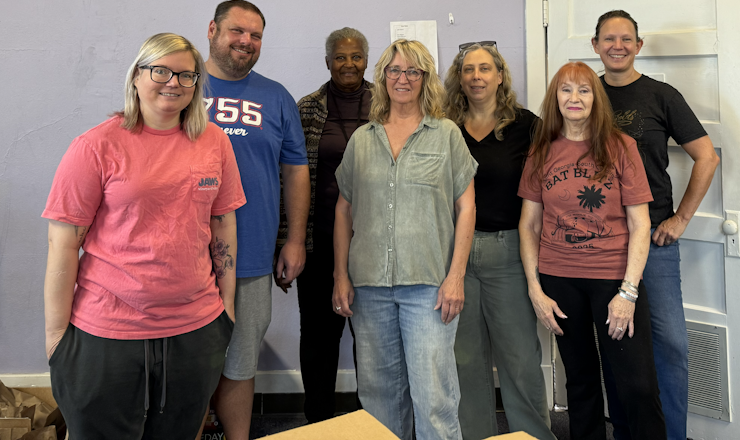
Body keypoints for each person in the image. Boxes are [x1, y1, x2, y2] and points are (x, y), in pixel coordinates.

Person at [42, 33, 244, 439]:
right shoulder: (95, 146)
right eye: (161, 71)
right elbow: (62, 244)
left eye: (186, 75)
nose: (173, 83)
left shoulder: (214, 142)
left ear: (196, 84)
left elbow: (223, 223)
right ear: (137, 76)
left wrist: (226, 308)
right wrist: (56, 338)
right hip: (107, 332)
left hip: (196, 328)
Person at [333, 39, 478, 440]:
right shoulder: (363, 139)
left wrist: (456, 277)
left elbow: (467, 208)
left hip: (429, 288)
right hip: (370, 288)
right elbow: (343, 210)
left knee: (434, 400)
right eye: (395, 70)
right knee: (378, 399)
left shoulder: (446, 134)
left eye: (413, 71)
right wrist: (340, 276)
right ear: (382, 77)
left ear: (425, 78)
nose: (403, 78)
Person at [590, 10, 721, 440]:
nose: (618, 46)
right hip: (602, 242)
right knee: (617, 345)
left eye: (626, 39)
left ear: (638, 46)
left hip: (655, 241)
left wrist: (681, 218)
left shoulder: (661, 95)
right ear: (595, 45)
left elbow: (707, 157)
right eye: (609, 39)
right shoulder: (584, 94)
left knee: (670, 346)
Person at [518, 61, 666, 439]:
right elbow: (529, 224)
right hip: (559, 280)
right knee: (580, 381)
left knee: (638, 385)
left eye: (584, 90)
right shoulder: (541, 151)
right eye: (566, 89)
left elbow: (640, 224)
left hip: (613, 280)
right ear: (555, 98)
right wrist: (535, 290)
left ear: (595, 98)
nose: (575, 98)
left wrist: (628, 293)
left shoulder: (621, 146)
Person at [203, 1, 310, 437]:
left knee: (241, 359)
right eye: (237, 30)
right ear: (212, 30)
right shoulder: (183, 87)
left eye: (256, 35)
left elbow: (296, 170)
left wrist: (294, 239)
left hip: (251, 254)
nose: (246, 41)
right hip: (183, 257)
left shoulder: (276, 97)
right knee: (188, 365)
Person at [443, 42, 555, 440]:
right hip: (455, 257)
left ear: (500, 76)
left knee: (520, 360)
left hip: (508, 253)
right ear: (459, 78)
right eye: (468, 69)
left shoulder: (527, 126)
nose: (476, 76)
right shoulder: (444, 127)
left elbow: (553, 183)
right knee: (464, 362)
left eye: (485, 68)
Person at [293, 27, 371, 423]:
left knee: (371, 340)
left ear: (367, 60)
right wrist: (286, 243)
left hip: (373, 244)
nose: (348, 64)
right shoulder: (307, 108)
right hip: (319, 241)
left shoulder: (387, 104)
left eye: (356, 56)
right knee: (319, 339)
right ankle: (318, 421)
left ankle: (372, 420)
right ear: (327, 62)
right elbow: (290, 178)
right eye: (340, 57)